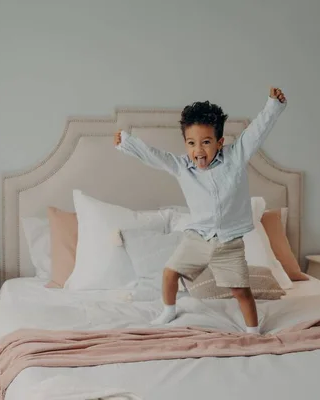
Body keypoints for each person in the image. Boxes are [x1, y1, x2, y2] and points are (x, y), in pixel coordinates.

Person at [114, 87, 287, 334]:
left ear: (219, 142)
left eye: (206, 143)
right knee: (169, 273)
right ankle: (169, 311)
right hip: (198, 238)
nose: (198, 151)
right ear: (185, 144)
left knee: (240, 290)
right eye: (191, 143)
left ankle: (253, 332)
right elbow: (154, 156)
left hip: (228, 242)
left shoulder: (235, 157)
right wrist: (127, 143)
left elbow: (256, 133)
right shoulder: (182, 166)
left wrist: (273, 106)